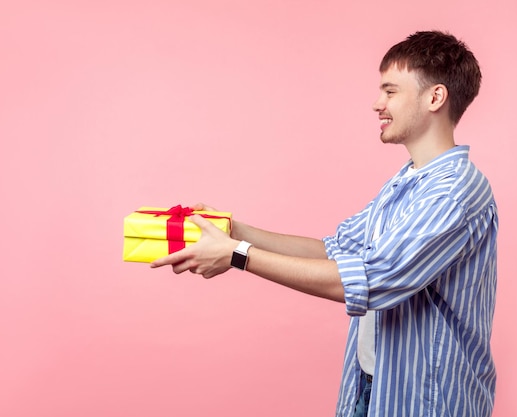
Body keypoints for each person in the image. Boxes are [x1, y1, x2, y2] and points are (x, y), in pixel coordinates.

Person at [151, 30, 498, 417]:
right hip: (376, 385)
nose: (377, 103)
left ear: (435, 97)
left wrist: (237, 255)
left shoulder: (452, 194)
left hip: (426, 400)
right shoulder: (408, 182)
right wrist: (236, 231)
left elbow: (372, 279)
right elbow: (335, 249)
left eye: (390, 91)